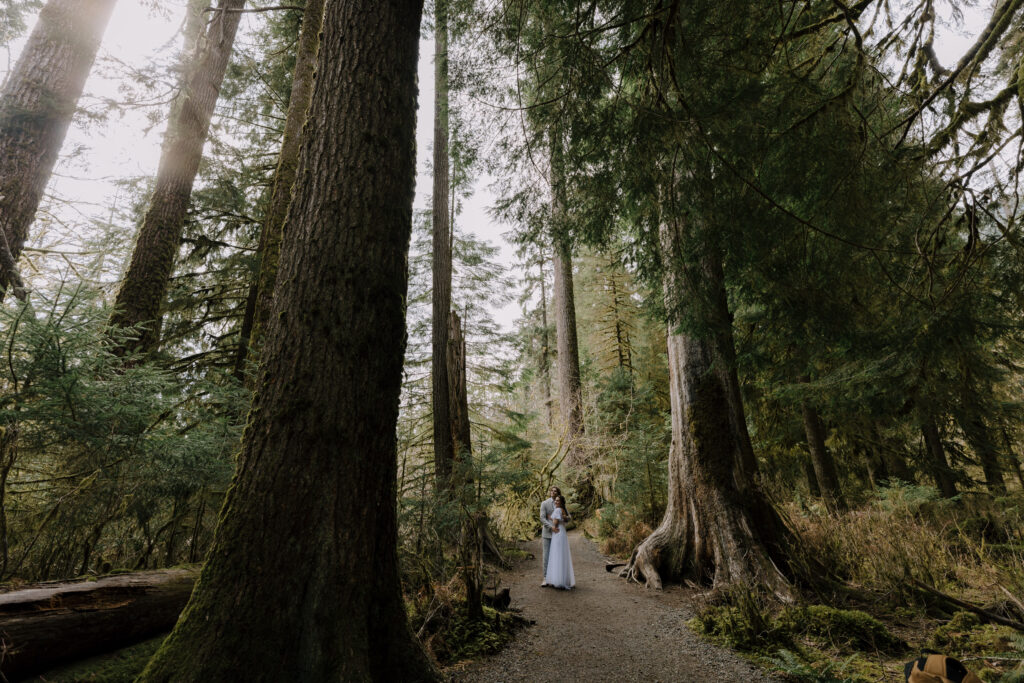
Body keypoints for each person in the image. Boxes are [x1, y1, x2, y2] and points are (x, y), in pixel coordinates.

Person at [544, 495, 575, 589]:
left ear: (561, 502)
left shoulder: (557, 510)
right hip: (562, 532)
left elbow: (556, 523)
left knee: (557, 554)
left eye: (558, 500)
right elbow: (563, 519)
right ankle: (563, 579)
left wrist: (551, 518)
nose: (556, 502)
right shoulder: (563, 510)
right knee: (562, 555)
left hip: (557, 532)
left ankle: (557, 580)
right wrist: (551, 518)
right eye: (555, 500)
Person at [539, 486, 560, 586]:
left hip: (558, 534)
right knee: (546, 556)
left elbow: (567, 517)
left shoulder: (560, 503)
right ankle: (545, 578)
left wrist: (561, 522)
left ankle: (555, 578)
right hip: (547, 533)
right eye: (551, 490)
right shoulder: (544, 503)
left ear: (558, 493)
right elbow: (542, 518)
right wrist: (551, 527)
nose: (553, 492)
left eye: (555, 491)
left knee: (557, 556)